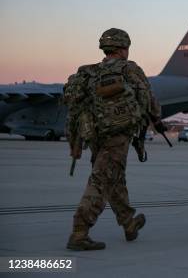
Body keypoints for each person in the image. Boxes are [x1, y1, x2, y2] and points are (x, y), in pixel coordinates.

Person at [66, 28, 162, 250]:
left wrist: (75, 141)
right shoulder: (129, 69)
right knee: (102, 180)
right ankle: (79, 232)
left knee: (114, 178)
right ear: (124, 48)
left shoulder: (88, 72)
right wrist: (157, 119)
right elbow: (147, 98)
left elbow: (75, 108)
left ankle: (129, 224)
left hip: (94, 135)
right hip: (117, 134)